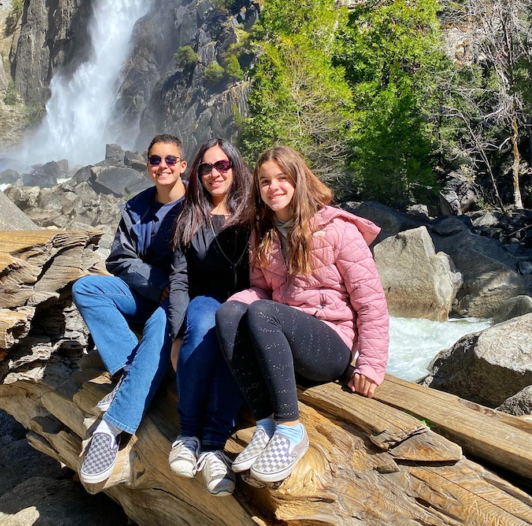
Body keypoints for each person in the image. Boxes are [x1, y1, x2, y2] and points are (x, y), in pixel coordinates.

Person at [215, 146, 389, 484]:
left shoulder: (338, 230)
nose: (273, 187)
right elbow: (262, 289)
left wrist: (370, 364)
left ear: (299, 180)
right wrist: (234, 307)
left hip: (330, 346)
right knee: (228, 312)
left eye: (282, 178)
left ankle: (291, 430)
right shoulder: (263, 233)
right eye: (264, 181)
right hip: (285, 341)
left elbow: (371, 302)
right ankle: (266, 424)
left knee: (264, 313)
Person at [72, 134, 187, 484]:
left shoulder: (199, 205)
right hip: (146, 291)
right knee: (86, 287)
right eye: (155, 160)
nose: (163, 166)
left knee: (159, 321)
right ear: (146, 165)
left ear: (183, 165)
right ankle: (127, 370)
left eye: (170, 160)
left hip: (180, 298)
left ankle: (112, 428)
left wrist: (173, 290)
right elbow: (119, 258)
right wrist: (157, 283)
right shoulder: (136, 207)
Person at [167, 138, 252, 496]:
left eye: (222, 166)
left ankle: (215, 447)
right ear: (197, 174)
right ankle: (187, 435)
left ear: (235, 167)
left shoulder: (253, 213)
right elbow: (180, 279)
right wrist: (175, 334)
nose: (214, 173)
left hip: (248, 302)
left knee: (233, 331)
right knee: (202, 324)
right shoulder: (189, 215)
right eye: (206, 167)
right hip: (205, 299)